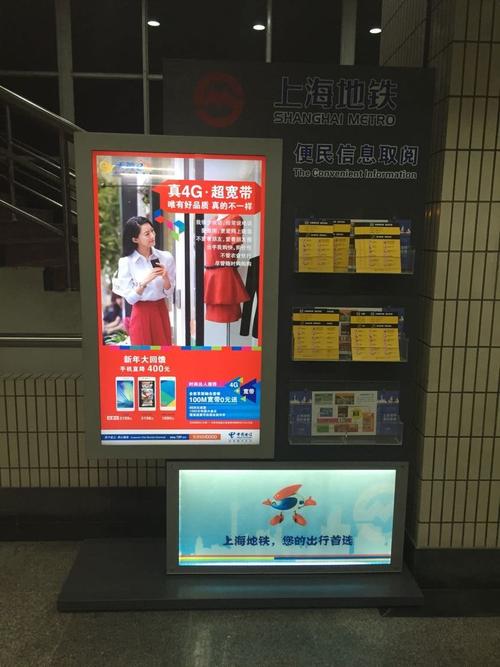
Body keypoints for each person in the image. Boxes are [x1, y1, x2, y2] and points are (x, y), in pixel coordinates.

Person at [112, 216, 175, 345]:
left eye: (152, 231)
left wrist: (165, 278)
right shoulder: (126, 262)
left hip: (161, 310)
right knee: (142, 353)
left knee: (163, 353)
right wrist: (144, 282)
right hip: (140, 313)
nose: (152, 235)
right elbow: (130, 299)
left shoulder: (166, 257)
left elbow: (169, 293)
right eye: (147, 234)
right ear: (135, 239)